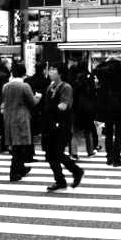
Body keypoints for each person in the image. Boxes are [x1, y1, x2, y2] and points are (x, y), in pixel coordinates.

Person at [41, 62, 84, 191]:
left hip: (63, 125)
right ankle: (60, 180)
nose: (50, 72)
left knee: (58, 153)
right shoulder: (50, 86)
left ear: (60, 73)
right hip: (50, 125)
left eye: (54, 69)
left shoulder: (66, 87)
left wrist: (53, 108)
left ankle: (77, 171)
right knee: (50, 155)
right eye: (50, 69)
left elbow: (63, 106)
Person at [1, 63, 39, 182]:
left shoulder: (5, 86)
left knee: (16, 144)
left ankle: (21, 168)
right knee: (20, 145)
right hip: (21, 117)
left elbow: (4, 101)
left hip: (9, 117)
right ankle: (14, 172)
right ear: (23, 73)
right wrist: (38, 97)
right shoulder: (25, 86)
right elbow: (32, 102)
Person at [94, 56, 121, 167]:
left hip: (107, 105)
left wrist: (105, 62)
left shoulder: (102, 71)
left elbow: (95, 69)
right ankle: (116, 158)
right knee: (120, 133)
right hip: (120, 104)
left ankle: (109, 157)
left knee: (108, 132)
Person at [70, 62, 98, 156]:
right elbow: (94, 93)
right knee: (88, 131)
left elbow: (74, 94)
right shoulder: (91, 78)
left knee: (75, 132)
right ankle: (90, 151)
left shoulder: (77, 78)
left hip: (78, 108)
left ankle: (74, 153)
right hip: (89, 108)